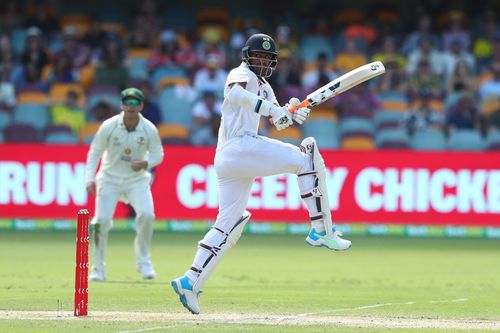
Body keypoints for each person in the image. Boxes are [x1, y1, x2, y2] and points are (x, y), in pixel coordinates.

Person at [171, 33, 352, 315]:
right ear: (247, 57)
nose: (263, 61)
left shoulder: (265, 87)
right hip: (238, 147)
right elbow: (236, 95)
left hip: (233, 158)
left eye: (268, 58)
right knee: (307, 157)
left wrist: (292, 113)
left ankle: (190, 281)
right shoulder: (239, 74)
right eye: (258, 56)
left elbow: (277, 120)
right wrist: (272, 109)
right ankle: (322, 230)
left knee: (229, 222)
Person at [85, 87, 164, 281]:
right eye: (127, 102)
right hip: (109, 178)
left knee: (147, 214)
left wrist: (145, 163)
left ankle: (144, 262)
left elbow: (158, 155)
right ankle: (98, 268)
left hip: (136, 180)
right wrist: (90, 178)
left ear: (141, 106)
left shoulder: (148, 129)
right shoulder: (109, 126)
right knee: (100, 222)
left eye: (135, 102)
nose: (131, 106)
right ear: (121, 105)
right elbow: (95, 152)